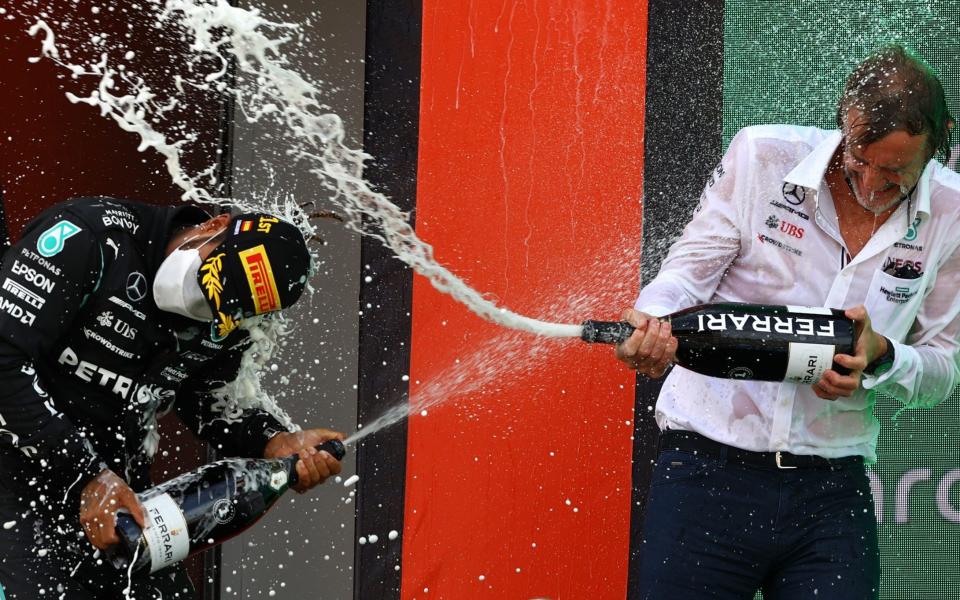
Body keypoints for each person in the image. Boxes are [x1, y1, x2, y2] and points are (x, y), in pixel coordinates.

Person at [617, 46, 960, 599]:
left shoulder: (952, 212)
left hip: (831, 491)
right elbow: (684, 278)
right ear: (845, 124)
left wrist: (881, 356)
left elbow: (945, 367)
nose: (872, 185)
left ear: (939, 142)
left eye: (895, 173)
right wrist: (653, 325)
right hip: (707, 470)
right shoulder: (763, 156)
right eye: (858, 161)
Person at [0, 197, 344, 599]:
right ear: (212, 225)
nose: (200, 305)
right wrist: (88, 475)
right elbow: (4, 357)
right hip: (18, 473)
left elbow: (203, 398)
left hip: (117, 496)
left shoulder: (234, 322)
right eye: (207, 283)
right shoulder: (91, 236)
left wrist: (273, 440)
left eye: (220, 311)